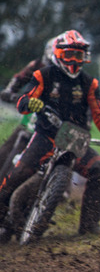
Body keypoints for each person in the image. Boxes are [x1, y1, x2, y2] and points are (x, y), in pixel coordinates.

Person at [0, 30, 100, 242]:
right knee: (14, 178)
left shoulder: (89, 83)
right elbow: (24, 98)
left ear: (85, 57)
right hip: (45, 136)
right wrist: (28, 103)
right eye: (70, 55)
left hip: (75, 138)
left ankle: (89, 225)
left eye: (79, 56)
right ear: (58, 54)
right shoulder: (43, 75)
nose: (74, 61)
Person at [0, 37, 54, 179]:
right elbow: (19, 78)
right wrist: (10, 91)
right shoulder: (38, 65)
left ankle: (62, 189)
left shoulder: (77, 76)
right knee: (5, 152)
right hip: (32, 119)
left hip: (56, 125)